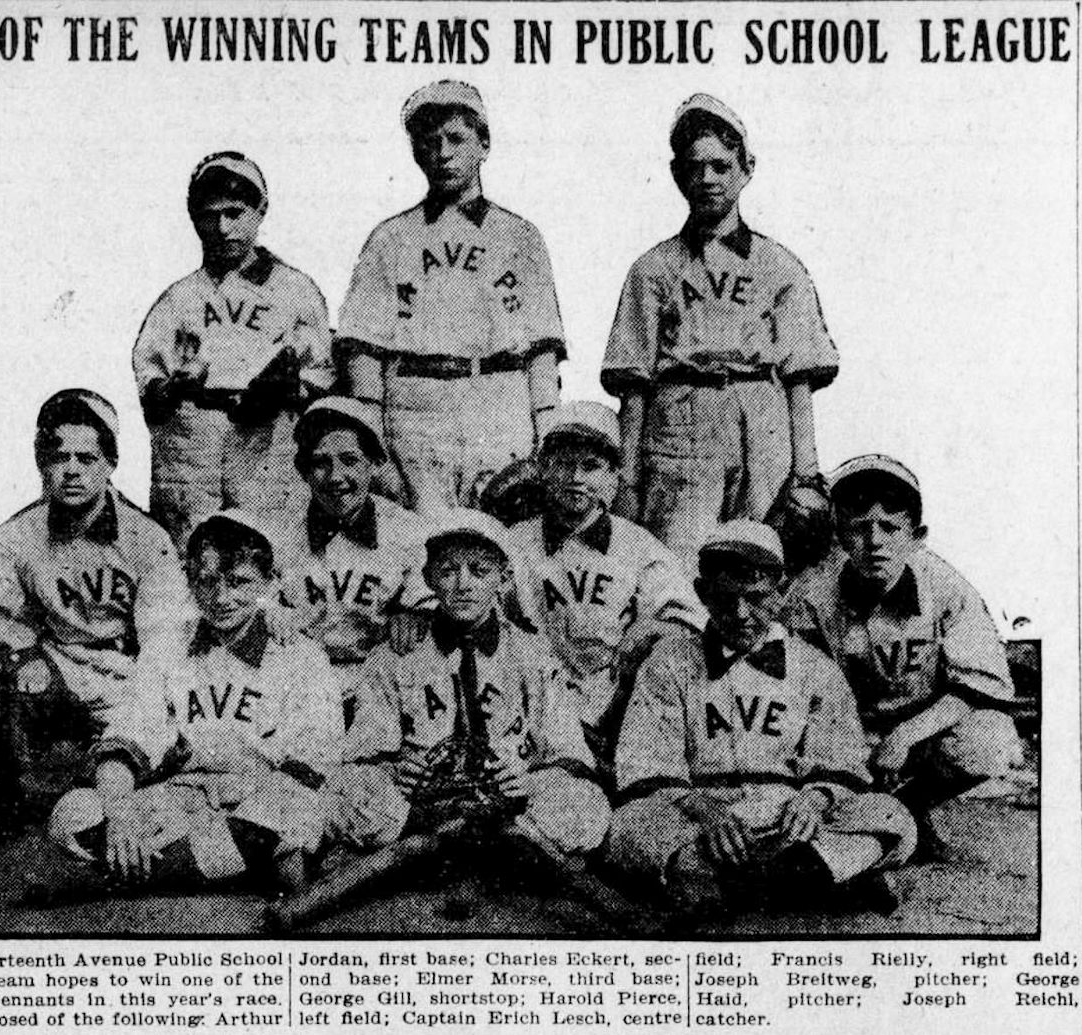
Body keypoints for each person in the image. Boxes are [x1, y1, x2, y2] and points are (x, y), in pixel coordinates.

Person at [608, 521, 915, 918]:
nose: (739, 614)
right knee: (627, 829)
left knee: (892, 816)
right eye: (723, 598)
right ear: (702, 593)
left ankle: (765, 881)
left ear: (781, 593)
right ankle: (812, 881)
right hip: (700, 814)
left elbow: (840, 760)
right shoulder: (670, 661)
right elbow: (645, 761)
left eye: (755, 598)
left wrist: (812, 799)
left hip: (786, 814)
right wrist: (702, 808)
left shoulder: (813, 667)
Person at [602, 94, 838, 584]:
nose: (707, 179)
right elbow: (634, 384)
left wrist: (806, 473)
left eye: (720, 165)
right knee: (678, 566)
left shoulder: (780, 266)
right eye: (695, 168)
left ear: (746, 168)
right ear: (676, 175)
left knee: (763, 561)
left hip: (761, 420)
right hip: (681, 422)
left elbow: (799, 375)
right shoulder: (653, 268)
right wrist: (627, 479)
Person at [46, 509, 342, 894]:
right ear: (188, 580)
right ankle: (232, 865)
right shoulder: (168, 648)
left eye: (239, 583)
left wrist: (252, 805)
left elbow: (315, 753)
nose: (221, 598)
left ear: (270, 583)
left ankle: (145, 875)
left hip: (260, 795)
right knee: (71, 814)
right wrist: (119, 815)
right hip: (185, 798)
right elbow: (130, 734)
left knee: (291, 809)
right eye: (206, 582)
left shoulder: (299, 653)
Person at [0, 389, 192, 836]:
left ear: (110, 464)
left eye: (87, 458)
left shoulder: (145, 538)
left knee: (142, 754)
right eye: (60, 458)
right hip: (55, 659)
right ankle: (10, 794)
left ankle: (109, 780)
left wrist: (147, 704)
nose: (72, 470)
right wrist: (20, 644)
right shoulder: (23, 532)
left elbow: (166, 641)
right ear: (43, 464)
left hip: (124, 669)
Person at [336, 81, 567, 513]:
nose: (442, 153)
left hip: (499, 401)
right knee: (427, 544)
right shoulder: (391, 238)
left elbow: (541, 350)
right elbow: (362, 351)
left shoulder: (519, 236)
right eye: (429, 142)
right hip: (417, 406)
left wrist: (547, 433)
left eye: (456, 139)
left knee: (505, 540)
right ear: (416, 152)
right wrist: (373, 440)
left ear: (484, 144)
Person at [327, 509, 610, 858]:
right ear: (429, 579)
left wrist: (530, 780)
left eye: (479, 571)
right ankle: (445, 840)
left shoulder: (531, 653)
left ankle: (511, 841)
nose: (463, 584)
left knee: (587, 801)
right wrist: (393, 768)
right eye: (448, 571)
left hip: (510, 800)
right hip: (421, 803)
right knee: (343, 790)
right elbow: (364, 752)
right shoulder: (394, 655)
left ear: (503, 578)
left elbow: (567, 751)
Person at [782, 455, 1022, 857]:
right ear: (839, 534)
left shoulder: (946, 589)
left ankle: (911, 811)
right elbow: (795, 691)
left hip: (918, 730)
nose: (875, 542)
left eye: (891, 528)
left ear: (917, 536)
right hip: (844, 732)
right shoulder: (810, 595)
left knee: (991, 740)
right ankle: (868, 822)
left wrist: (906, 735)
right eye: (860, 529)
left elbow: (981, 686)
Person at [133, 151, 333, 548]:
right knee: (190, 550)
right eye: (209, 216)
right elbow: (148, 374)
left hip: (266, 440)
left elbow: (321, 372)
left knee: (269, 549)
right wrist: (172, 386)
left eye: (235, 213)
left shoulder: (293, 290)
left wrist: (286, 389)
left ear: (260, 210)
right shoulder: (180, 297)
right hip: (192, 444)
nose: (222, 228)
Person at [508, 401, 699, 776]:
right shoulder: (515, 543)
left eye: (591, 467)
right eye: (563, 464)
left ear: (612, 476)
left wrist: (656, 628)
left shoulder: (637, 545)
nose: (576, 478)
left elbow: (689, 618)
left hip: (617, 708)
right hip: (538, 707)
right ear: (544, 470)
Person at [273, 396, 434, 719]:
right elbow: (256, 601)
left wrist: (415, 617)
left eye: (349, 460)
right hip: (302, 686)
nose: (335, 476)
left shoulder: (408, 531)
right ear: (303, 470)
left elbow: (429, 604)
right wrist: (270, 611)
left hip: (384, 684)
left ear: (374, 464)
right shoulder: (278, 536)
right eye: (320, 462)